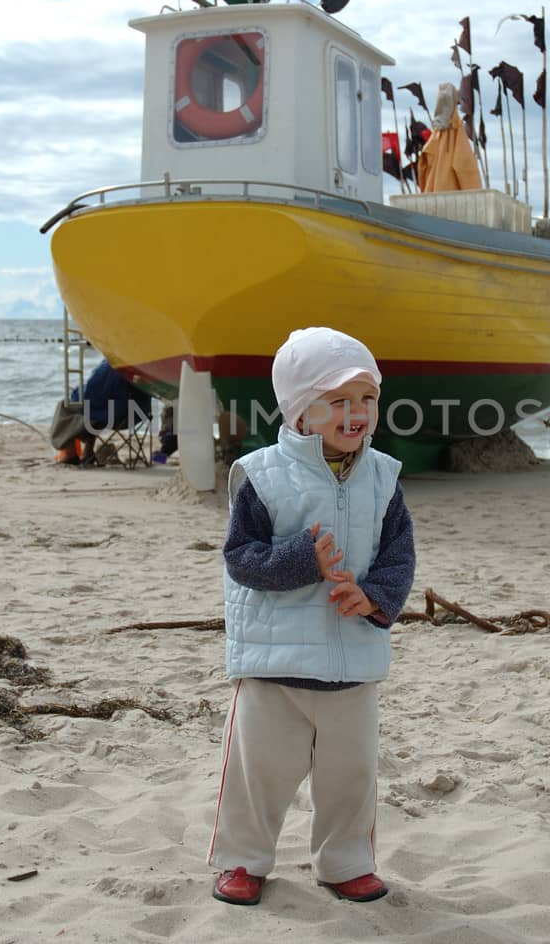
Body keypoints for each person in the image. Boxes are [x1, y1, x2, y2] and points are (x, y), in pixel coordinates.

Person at [207, 327, 416, 907]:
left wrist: (374, 597)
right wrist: (302, 558)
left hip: (352, 660)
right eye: (339, 401)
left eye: (367, 399)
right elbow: (240, 559)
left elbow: (399, 553)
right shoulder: (263, 475)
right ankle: (244, 859)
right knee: (260, 773)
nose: (357, 413)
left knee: (351, 775)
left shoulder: (383, 477)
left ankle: (346, 860)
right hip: (276, 665)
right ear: (301, 409)